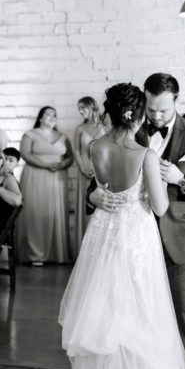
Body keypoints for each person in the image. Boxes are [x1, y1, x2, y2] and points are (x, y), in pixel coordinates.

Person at [59, 82, 185, 369]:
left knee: (105, 315)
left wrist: (102, 197)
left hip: (103, 235)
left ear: (112, 111)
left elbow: (99, 189)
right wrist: (153, 190)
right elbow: (161, 207)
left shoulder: (94, 146)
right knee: (140, 315)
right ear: (136, 116)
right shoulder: (146, 155)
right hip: (136, 236)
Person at [89, 72, 185, 369]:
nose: (157, 117)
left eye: (163, 111)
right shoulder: (131, 128)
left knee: (180, 312)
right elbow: (99, 180)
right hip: (135, 241)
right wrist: (95, 197)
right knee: (135, 316)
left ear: (177, 101)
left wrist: (183, 180)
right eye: (151, 110)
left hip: (179, 240)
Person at [18, 106, 74, 266]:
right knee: (35, 213)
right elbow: (25, 154)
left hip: (58, 177)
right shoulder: (30, 134)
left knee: (54, 213)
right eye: (48, 114)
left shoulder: (63, 136)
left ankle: (56, 254)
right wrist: (44, 165)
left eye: (54, 115)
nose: (52, 117)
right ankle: (35, 255)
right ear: (40, 118)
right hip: (35, 176)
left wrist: (62, 164)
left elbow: (70, 157)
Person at [71, 97, 106, 255]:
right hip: (84, 169)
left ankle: (99, 249)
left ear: (91, 107)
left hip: (102, 168)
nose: (80, 112)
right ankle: (83, 250)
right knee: (85, 205)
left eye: (83, 108)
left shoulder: (105, 125)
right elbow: (76, 150)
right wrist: (83, 168)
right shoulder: (79, 128)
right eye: (79, 109)